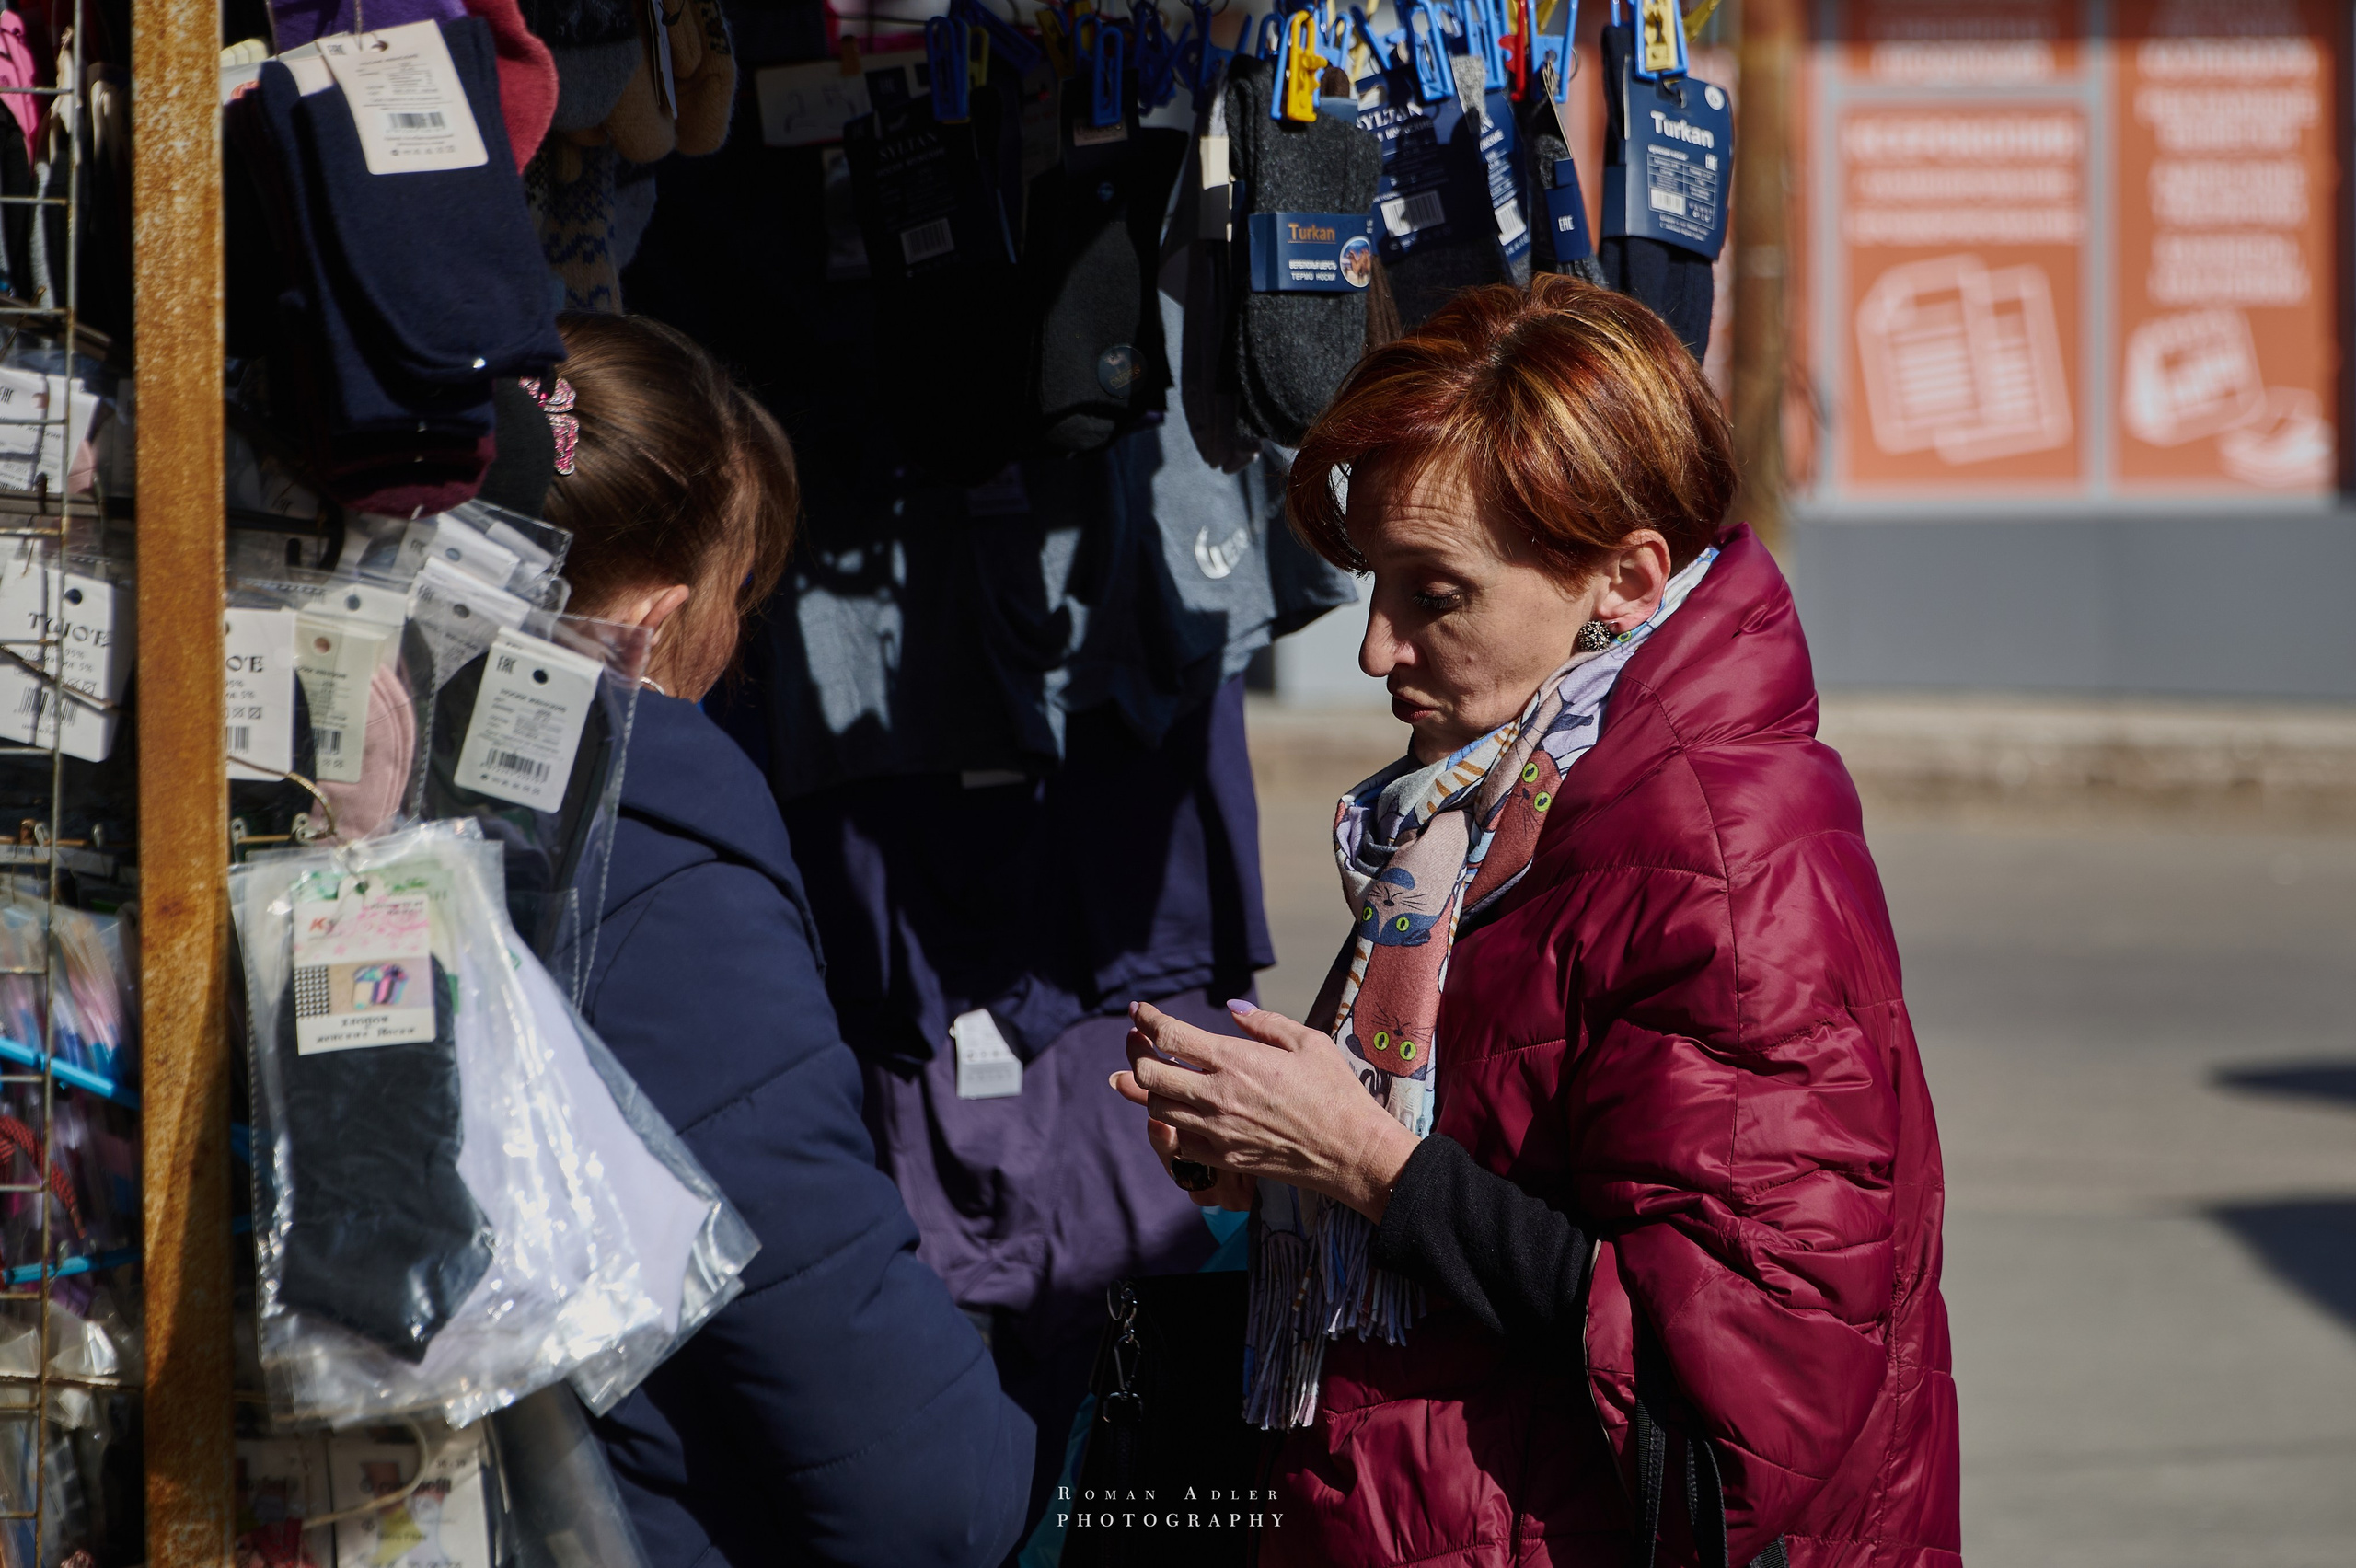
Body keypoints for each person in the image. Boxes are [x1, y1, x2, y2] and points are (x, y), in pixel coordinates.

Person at [1113, 277, 1959, 1568]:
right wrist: (1287, 1160)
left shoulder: (1708, 857)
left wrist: (1368, 1169)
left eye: (1434, 592)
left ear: (1624, 577)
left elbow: (1746, 1419)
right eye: (1372, 582)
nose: (1376, 647)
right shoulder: (1508, 794)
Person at [536, 312, 1035, 1568]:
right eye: (736, 599)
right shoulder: (661, 884)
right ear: (655, 621)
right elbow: (916, 1477)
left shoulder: (346, 794)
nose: (736, 641)